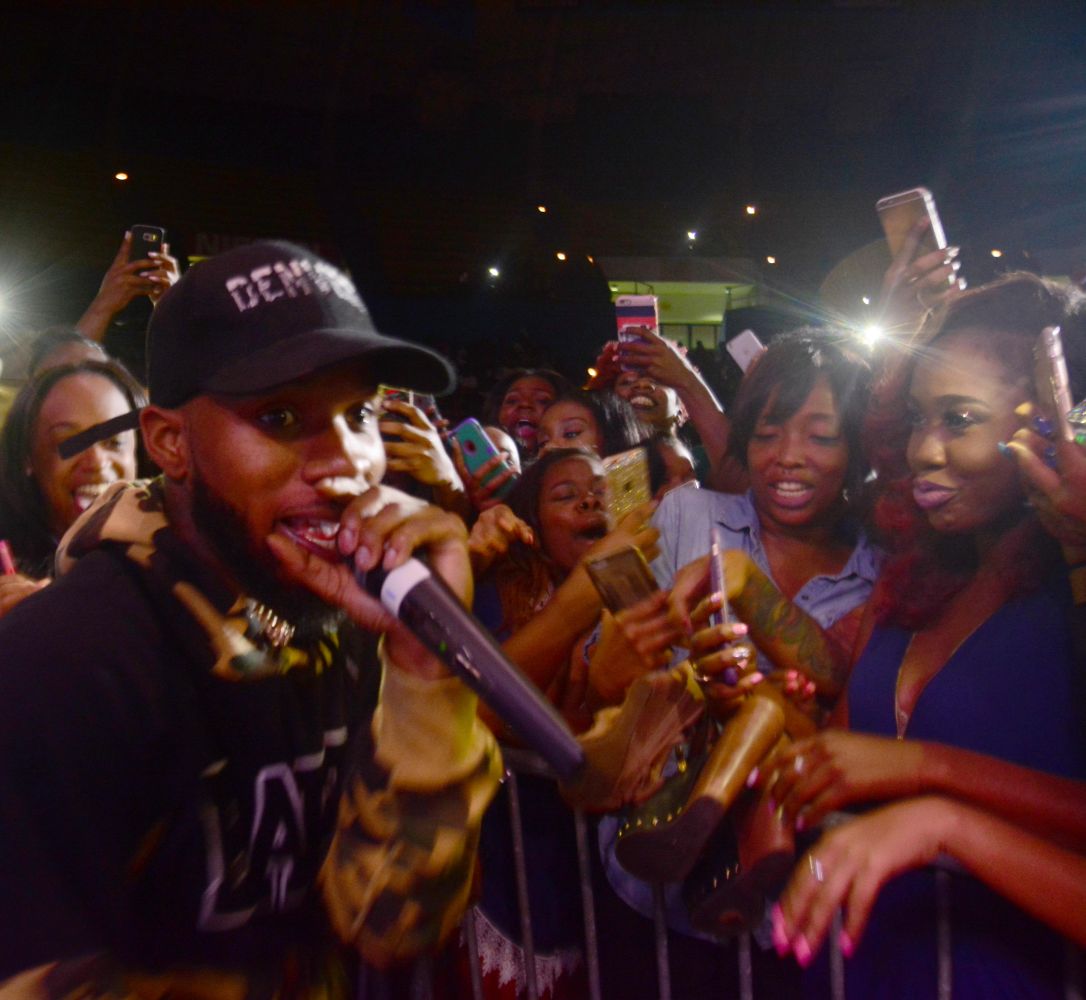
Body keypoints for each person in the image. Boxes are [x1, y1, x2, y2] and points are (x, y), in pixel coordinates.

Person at [0, 241, 501, 997]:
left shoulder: (352, 617)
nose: (346, 462)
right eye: (280, 415)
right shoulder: (64, 661)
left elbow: (393, 923)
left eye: (359, 412)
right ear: (169, 442)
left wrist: (425, 672)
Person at [767, 273, 1086, 998]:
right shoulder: (912, 585)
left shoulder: (1072, 598)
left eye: (960, 419)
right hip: (859, 970)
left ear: (1055, 424)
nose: (923, 452)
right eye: (918, 418)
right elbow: (847, 760)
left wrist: (940, 802)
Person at [0, 359, 146, 616]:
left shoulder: (174, 551)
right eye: (70, 442)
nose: (98, 462)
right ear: (27, 457)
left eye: (114, 442)